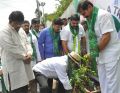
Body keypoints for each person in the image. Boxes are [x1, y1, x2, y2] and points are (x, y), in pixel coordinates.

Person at [77, 0, 120, 93]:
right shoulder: (90, 19)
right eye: (82, 14)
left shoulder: (103, 15)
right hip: (100, 55)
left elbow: (106, 37)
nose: (84, 16)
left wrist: (94, 52)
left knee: (112, 83)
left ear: (89, 7)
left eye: (84, 13)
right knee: (103, 81)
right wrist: (94, 53)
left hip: (110, 54)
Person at [0, 11, 34, 93]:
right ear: (10, 21)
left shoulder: (21, 30)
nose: (18, 26)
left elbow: (27, 43)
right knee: (16, 89)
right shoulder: (4, 31)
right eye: (16, 23)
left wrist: (29, 53)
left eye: (20, 23)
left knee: (25, 88)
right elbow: (11, 49)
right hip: (13, 68)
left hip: (24, 66)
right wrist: (24, 57)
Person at [38, 18, 63, 93]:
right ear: (53, 25)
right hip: (48, 58)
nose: (58, 28)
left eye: (60, 27)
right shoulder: (45, 31)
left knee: (60, 77)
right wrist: (42, 57)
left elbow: (61, 44)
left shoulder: (60, 32)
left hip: (58, 58)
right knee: (49, 79)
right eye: (57, 26)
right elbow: (40, 44)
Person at [20, 20, 41, 93]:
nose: (26, 27)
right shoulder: (18, 36)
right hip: (23, 61)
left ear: (29, 26)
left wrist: (39, 60)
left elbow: (37, 49)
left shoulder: (33, 37)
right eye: (24, 26)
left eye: (27, 25)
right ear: (21, 27)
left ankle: (35, 91)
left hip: (33, 61)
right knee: (25, 79)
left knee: (34, 78)